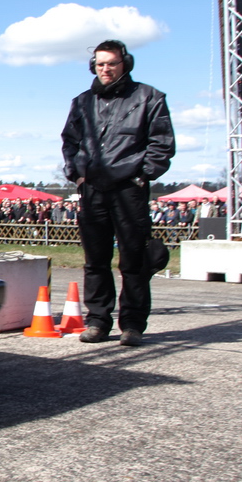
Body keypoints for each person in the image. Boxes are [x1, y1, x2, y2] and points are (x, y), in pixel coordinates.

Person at [61, 40, 176, 347]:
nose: (106, 69)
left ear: (125, 63)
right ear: (93, 66)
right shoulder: (82, 102)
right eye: (100, 64)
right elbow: (69, 142)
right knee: (95, 261)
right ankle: (97, 321)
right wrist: (78, 176)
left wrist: (142, 176)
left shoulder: (149, 97)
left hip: (129, 188)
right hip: (93, 189)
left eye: (111, 63)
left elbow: (162, 143)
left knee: (134, 260)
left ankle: (133, 325)